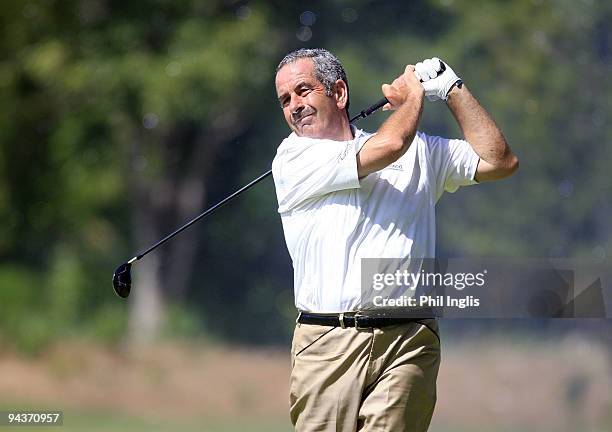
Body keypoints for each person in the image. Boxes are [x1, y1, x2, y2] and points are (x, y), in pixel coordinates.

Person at [272, 48, 518, 432]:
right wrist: (414, 96)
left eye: (303, 91)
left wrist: (451, 88)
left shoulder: (420, 150)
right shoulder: (293, 157)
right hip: (327, 343)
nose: (294, 106)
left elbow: (499, 160)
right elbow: (390, 146)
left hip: (409, 340)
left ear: (338, 94)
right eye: (285, 99)